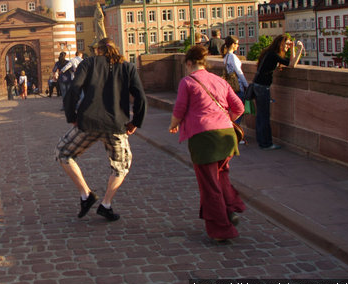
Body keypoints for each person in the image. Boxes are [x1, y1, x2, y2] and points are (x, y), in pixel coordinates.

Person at [56, 38, 146, 222]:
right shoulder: (127, 67)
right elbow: (140, 97)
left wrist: (72, 116)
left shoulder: (89, 63)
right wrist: (135, 121)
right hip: (116, 125)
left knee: (63, 153)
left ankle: (85, 194)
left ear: (97, 50)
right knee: (121, 166)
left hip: (88, 122)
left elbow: (73, 89)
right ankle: (106, 204)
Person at [168, 45, 246, 242]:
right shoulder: (219, 80)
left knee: (209, 183)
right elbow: (239, 107)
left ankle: (221, 229)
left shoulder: (187, 82)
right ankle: (230, 209)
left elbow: (179, 109)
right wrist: (226, 119)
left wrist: (173, 125)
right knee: (221, 176)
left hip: (204, 138)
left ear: (189, 63)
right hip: (227, 135)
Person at [252, 34, 304, 150]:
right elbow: (292, 64)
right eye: (286, 44)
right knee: (264, 116)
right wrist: (298, 49)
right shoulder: (273, 55)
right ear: (280, 44)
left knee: (260, 116)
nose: (287, 46)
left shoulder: (269, 53)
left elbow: (289, 62)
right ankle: (267, 143)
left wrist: (291, 49)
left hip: (257, 85)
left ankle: (262, 141)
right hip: (262, 87)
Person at [222, 35, 248, 126]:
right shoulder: (232, 57)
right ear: (232, 44)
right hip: (238, 86)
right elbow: (239, 72)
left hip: (231, 87)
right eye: (237, 44)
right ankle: (236, 133)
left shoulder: (225, 57)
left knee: (233, 111)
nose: (238, 46)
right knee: (239, 111)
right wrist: (246, 85)